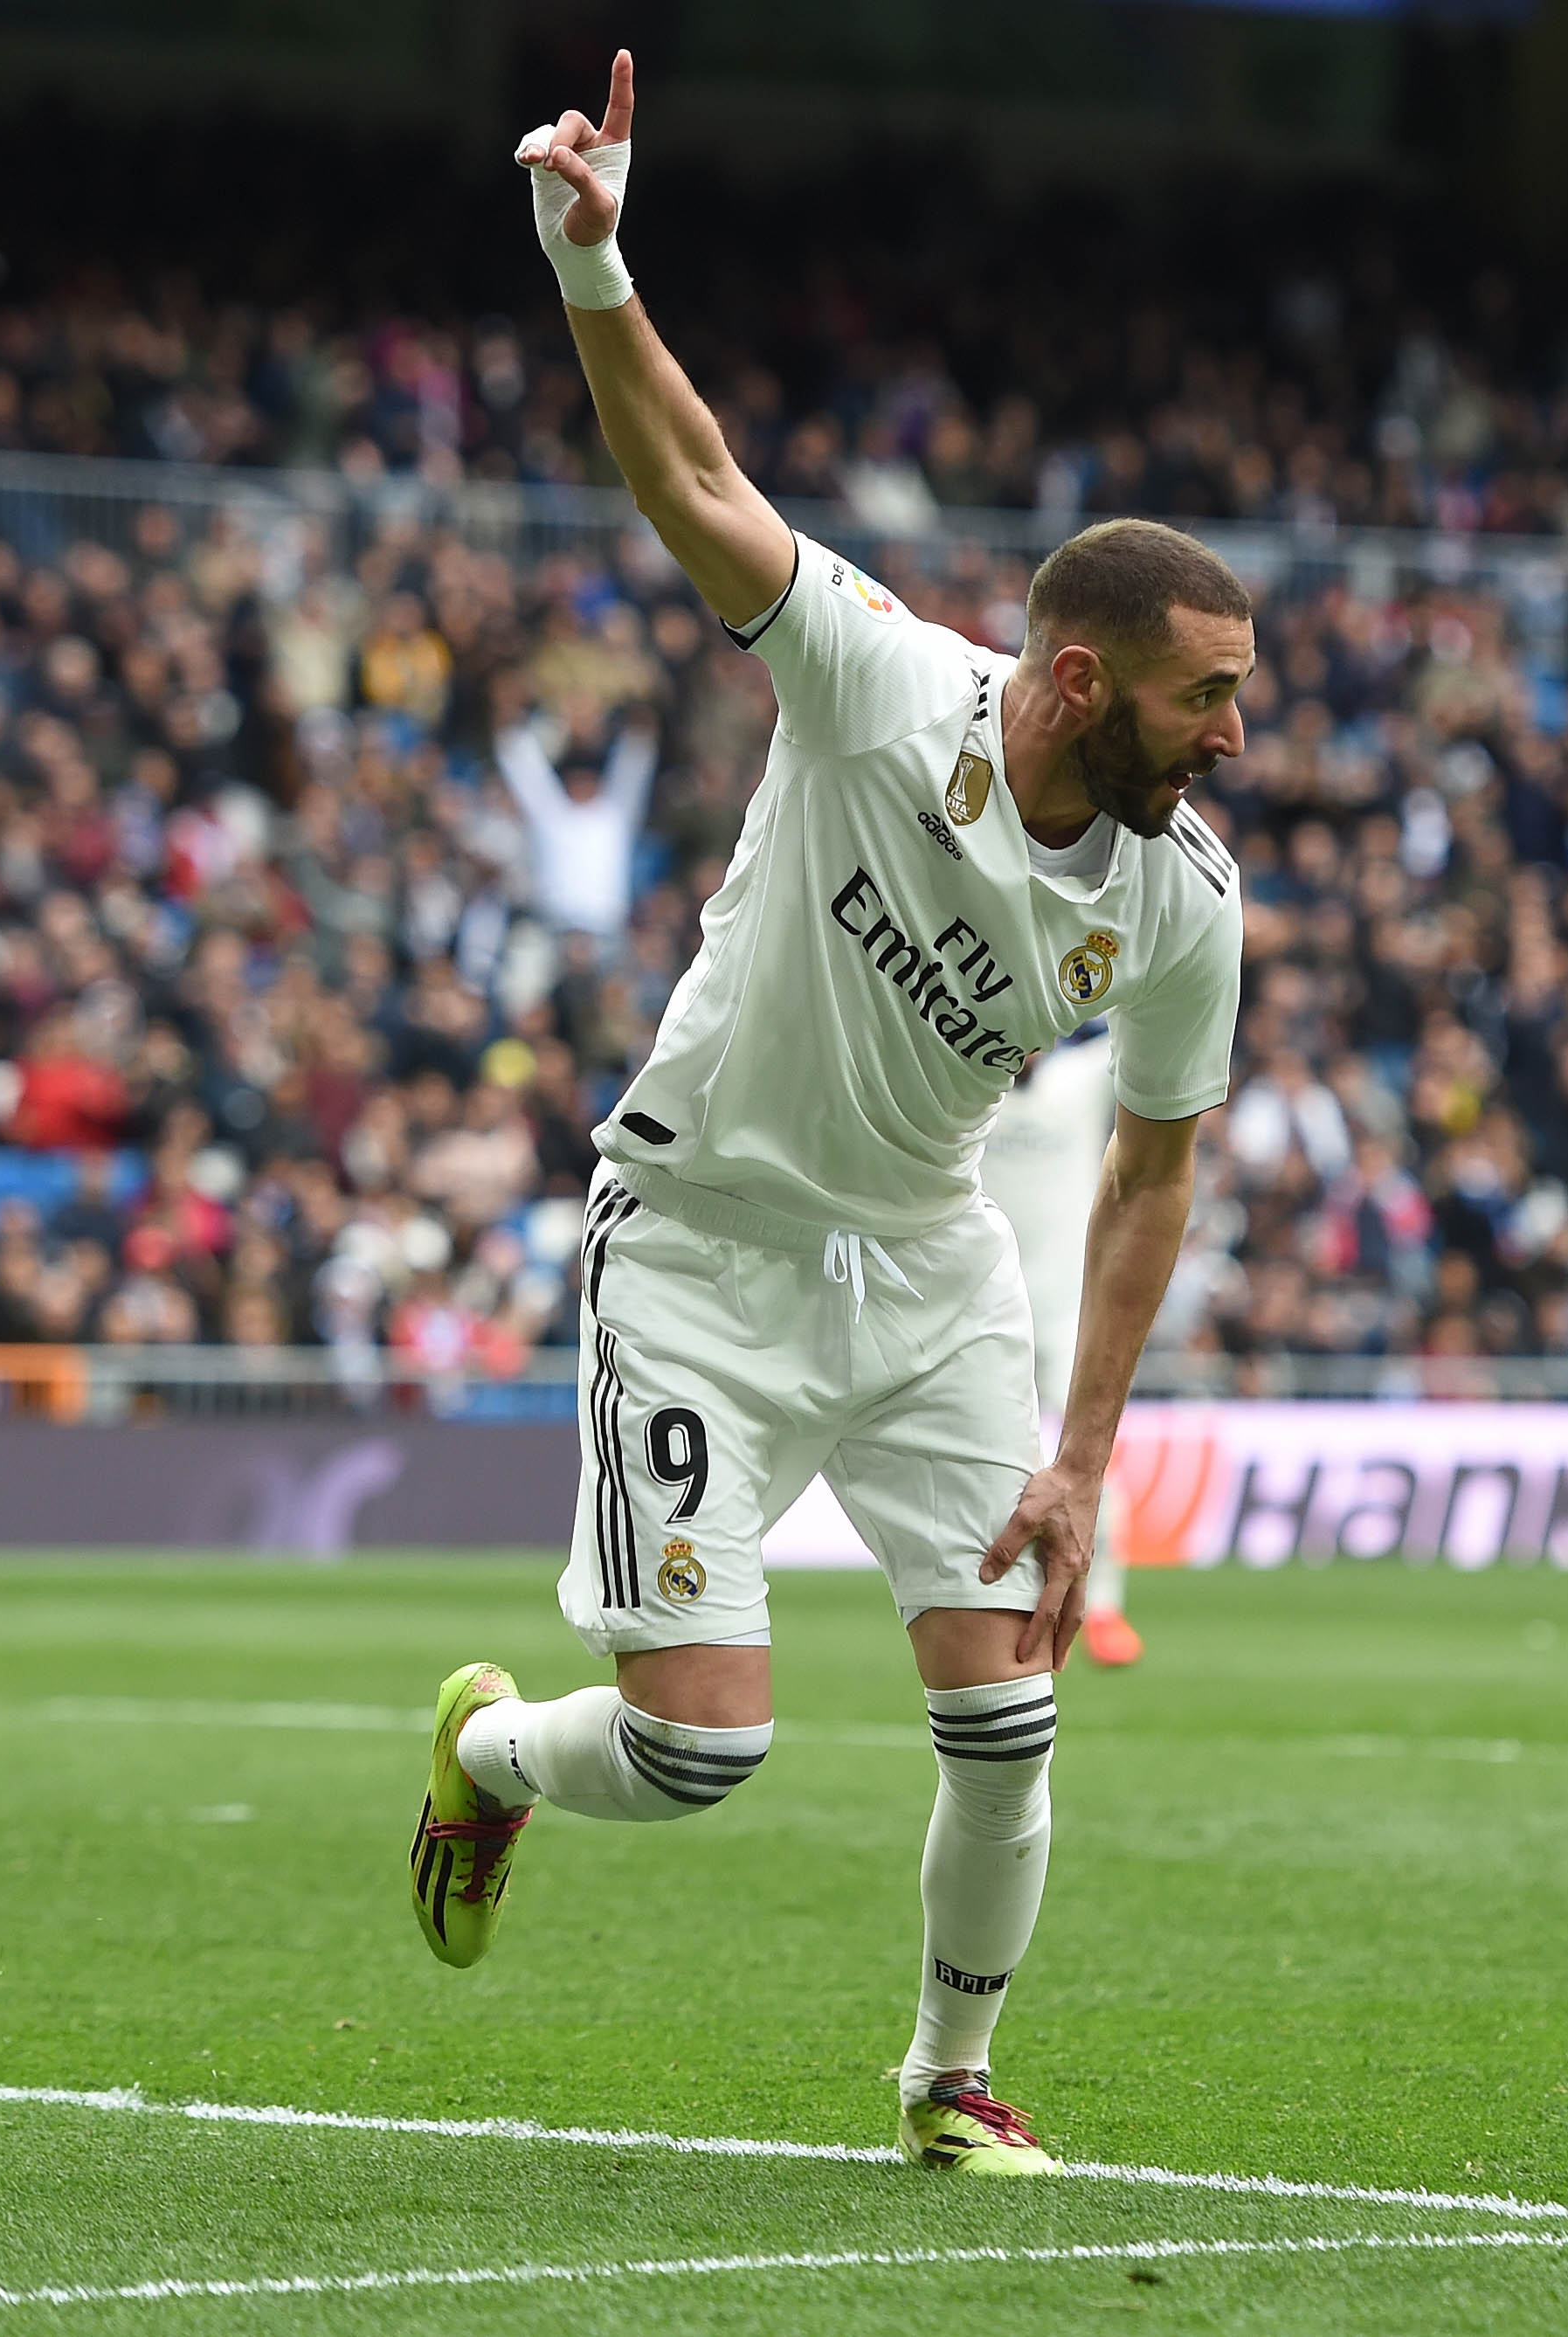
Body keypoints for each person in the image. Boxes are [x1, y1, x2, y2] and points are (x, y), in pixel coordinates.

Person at [407, 51, 1249, 2180]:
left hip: (929, 1272)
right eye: (1202, 694)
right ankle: (495, 1754)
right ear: (1075, 680)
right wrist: (588, 259)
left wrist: (1079, 1463)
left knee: (1007, 1713)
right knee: (705, 1758)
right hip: (698, 1251)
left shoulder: (1182, 901)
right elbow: (695, 484)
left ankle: (946, 2080)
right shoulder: (883, 684)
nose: (1231, 732)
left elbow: (1153, 1171)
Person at [980, 1023, 1143, 1666]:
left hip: (1066, 1307)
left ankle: (1104, 1610)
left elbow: (1145, 1019)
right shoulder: (965, 1091)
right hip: (983, 1305)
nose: (1029, 1049)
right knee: (986, 1459)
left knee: (1088, 1458)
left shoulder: (1078, 1083)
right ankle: (989, 1600)